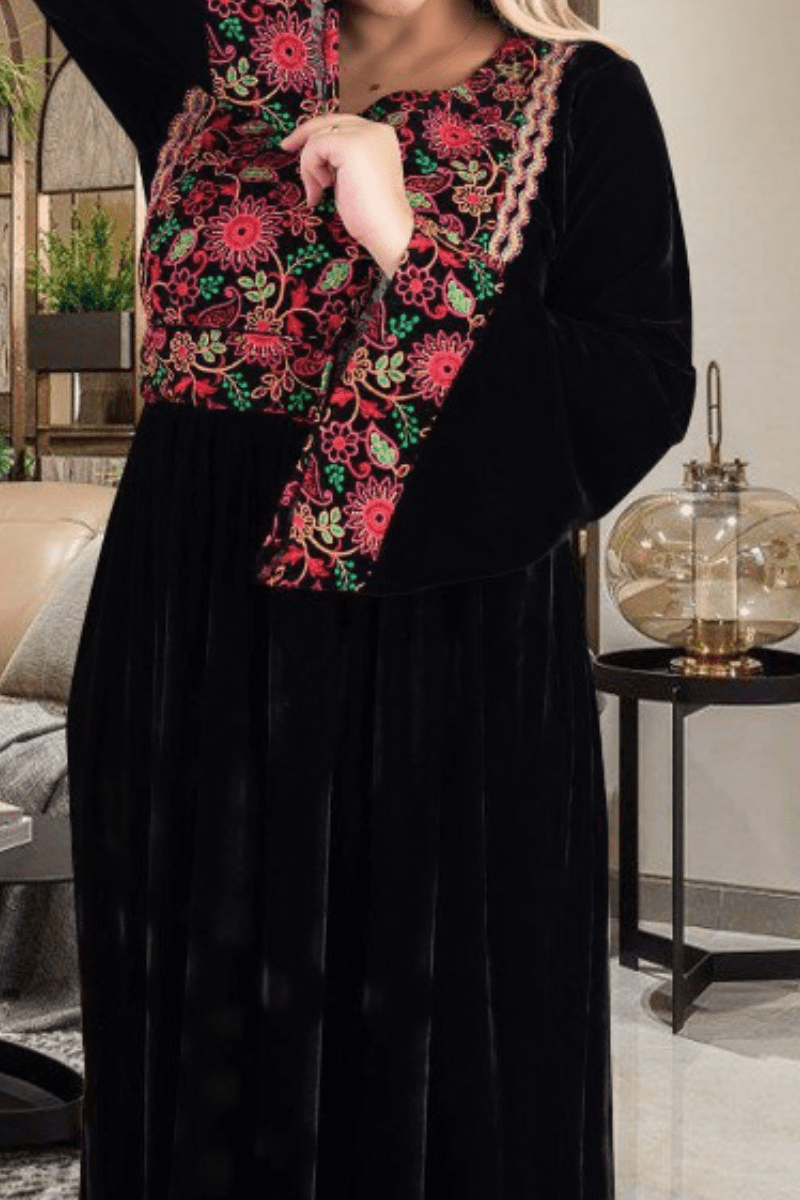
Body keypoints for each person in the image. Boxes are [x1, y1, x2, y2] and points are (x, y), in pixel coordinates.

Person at [30, 0, 695, 1195]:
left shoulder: (579, 97)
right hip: (186, 629)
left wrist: (403, 239)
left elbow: (630, 389)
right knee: (194, 1006)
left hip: (441, 648)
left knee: (416, 1024)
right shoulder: (222, 51)